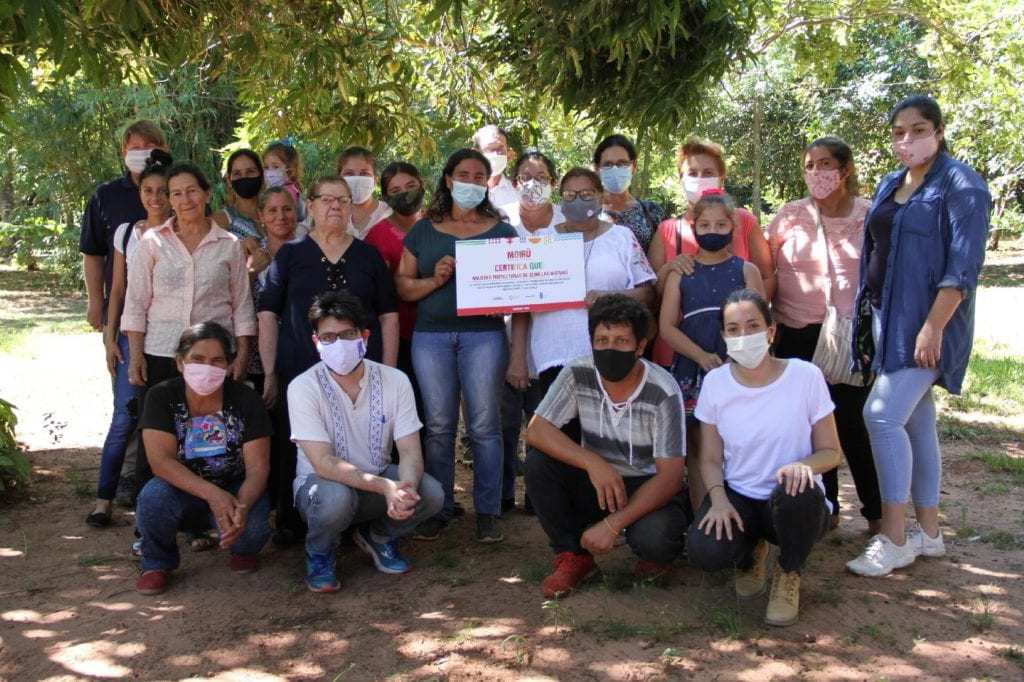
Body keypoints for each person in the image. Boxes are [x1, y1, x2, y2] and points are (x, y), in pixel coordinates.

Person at [846, 96, 990, 577]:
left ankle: (893, 537)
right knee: (916, 424)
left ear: (940, 131)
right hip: (887, 319)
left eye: (918, 129)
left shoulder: (962, 186)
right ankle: (928, 534)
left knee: (881, 416)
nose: (907, 139)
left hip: (927, 323)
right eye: (898, 132)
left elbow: (962, 269)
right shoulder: (892, 182)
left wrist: (932, 327)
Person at [686, 289, 841, 627]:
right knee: (705, 551)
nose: (744, 336)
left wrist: (805, 466)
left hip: (790, 497)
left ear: (771, 331)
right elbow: (710, 458)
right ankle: (750, 553)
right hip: (740, 494)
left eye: (753, 325)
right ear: (724, 337)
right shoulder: (715, 384)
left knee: (796, 494)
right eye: (733, 329)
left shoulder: (805, 377)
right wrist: (718, 500)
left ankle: (789, 571)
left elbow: (831, 452)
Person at [258, 175, 398, 546]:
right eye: (326, 199)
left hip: (361, 374)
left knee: (363, 441)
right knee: (300, 444)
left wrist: (390, 370)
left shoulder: (367, 255)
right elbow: (268, 314)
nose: (335, 206)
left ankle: (363, 521)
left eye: (343, 200)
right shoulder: (290, 254)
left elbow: (388, 315)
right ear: (312, 204)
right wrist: (270, 371)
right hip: (299, 370)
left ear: (352, 206)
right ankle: (296, 519)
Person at [395, 148, 525, 543]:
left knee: (485, 426)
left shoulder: (503, 231)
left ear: (487, 182)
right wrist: (434, 280)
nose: (470, 182)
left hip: (484, 338)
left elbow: (520, 296)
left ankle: (487, 511)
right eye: (462, 175)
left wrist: (508, 326)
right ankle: (441, 509)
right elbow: (402, 285)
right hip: (431, 337)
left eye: (478, 175)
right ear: (448, 180)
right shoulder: (424, 229)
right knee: (438, 427)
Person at [524, 294, 689, 598]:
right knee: (538, 463)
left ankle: (653, 556)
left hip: (646, 483)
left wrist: (612, 526)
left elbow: (670, 477)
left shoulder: (663, 390)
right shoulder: (578, 372)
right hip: (598, 482)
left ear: (640, 346)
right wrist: (592, 462)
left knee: (657, 539)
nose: (609, 348)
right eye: (601, 339)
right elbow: (536, 432)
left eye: (622, 340)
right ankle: (574, 556)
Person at [121, 162, 257, 512]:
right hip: (160, 354)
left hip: (212, 362)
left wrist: (241, 355)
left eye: (192, 191)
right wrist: (136, 356)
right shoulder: (152, 242)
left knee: (208, 438)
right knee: (156, 436)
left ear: (207, 194)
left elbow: (242, 307)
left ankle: (200, 519)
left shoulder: (228, 244)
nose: (184, 200)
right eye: (176, 193)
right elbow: (135, 304)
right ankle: (148, 521)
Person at [288, 292, 444, 592]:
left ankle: (380, 536)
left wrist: (406, 487)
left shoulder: (395, 380)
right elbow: (322, 463)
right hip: (323, 486)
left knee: (432, 493)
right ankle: (320, 553)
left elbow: (411, 450)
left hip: (378, 482)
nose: (339, 344)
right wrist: (385, 488)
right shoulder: (302, 387)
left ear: (365, 336)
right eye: (328, 337)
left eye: (347, 334)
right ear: (316, 342)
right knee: (335, 499)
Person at [766, 136, 881, 533]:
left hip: (848, 337)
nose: (817, 172)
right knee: (810, 426)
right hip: (795, 335)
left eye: (825, 164)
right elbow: (768, 269)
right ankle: (826, 510)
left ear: (845, 169)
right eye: (810, 165)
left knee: (853, 425)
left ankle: (877, 515)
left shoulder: (869, 215)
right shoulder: (790, 215)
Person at [134, 322, 271, 595]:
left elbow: (257, 468)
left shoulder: (246, 399)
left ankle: (240, 547)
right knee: (152, 498)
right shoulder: (161, 396)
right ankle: (157, 562)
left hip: (235, 488)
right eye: (197, 359)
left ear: (229, 365)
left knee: (251, 531)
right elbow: (160, 461)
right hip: (180, 488)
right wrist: (212, 495)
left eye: (217, 360)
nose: (207, 367)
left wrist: (241, 507)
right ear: (180, 362)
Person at [79, 120, 169, 504]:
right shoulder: (105, 197)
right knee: (128, 404)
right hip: (127, 317)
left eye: (150, 145)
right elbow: (94, 255)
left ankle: (149, 479)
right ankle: (123, 482)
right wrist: (97, 305)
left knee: (162, 402)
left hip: (168, 321)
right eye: (135, 145)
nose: (142, 150)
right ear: (123, 151)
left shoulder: (178, 189)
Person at [658, 190, 763, 512]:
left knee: (740, 440)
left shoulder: (746, 270)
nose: (713, 231)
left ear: (733, 225)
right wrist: (701, 357)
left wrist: (738, 358)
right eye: (705, 224)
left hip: (739, 368)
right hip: (692, 368)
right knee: (699, 442)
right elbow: (666, 327)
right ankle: (706, 515)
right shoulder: (681, 271)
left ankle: (745, 513)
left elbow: (760, 323)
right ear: (694, 227)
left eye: (721, 224)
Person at [648, 136, 775, 368]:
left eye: (708, 172)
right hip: (679, 351)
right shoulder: (667, 230)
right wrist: (670, 268)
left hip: (739, 351)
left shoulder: (743, 220)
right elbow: (653, 293)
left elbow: (766, 276)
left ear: (721, 178)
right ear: (681, 178)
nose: (700, 179)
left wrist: (751, 328)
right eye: (692, 173)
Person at [363, 162, 427, 408]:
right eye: (396, 190)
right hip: (400, 336)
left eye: (411, 186)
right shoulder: (378, 235)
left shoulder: (437, 225)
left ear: (422, 185)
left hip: (437, 331)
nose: (405, 193)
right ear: (387, 197)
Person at [593, 134, 666, 253]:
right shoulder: (586, 213)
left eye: (622, 163)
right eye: (607, 164)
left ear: (634, 166)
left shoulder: (652, 212)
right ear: (597, 168)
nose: (615, 169)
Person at [211, 150, 272, 276]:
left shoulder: (276, 213)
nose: (244, 178)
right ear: (229, 180)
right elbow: (213, 267)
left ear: (261, 176)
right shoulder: (221, 220)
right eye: (237, 174)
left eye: (250, 172)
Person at [337, 147, 393, 238]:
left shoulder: (389, 214)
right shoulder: (332, 213)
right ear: (339, 179)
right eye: (349, 173)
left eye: (364, 173)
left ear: (375, 180)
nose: (357, 179)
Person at [472, 124, 518, 212]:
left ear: (509, 155)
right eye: (489, 149)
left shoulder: (520, 194)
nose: (496, 154)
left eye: (500, 149)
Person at [262, 141, 308, 225]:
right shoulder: (286, 190)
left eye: (275, 167)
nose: (269, 172)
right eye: (266, 167)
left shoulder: (289, 192)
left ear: (290, 171)